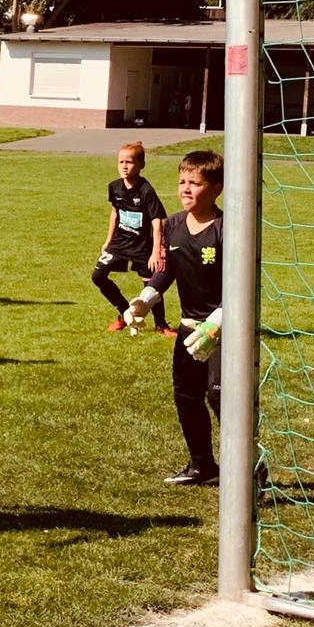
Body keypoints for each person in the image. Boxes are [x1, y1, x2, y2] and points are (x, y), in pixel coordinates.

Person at [125, 151, 226, 486]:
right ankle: (202, 465)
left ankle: (250, 465)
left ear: (217, 189)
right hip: (188, 329)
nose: (185, 188)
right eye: (182, 181)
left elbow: (241, 283)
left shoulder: (227, 228)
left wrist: (218, 323)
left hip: (223, 330)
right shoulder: (173, 226)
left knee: (220, 396)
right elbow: (167, 270)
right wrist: (144, 300)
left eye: (195, 183)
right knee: (186, 395)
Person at [92, 141, 172, 336]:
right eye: (121, 162)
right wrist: (108, 240)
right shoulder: (114, 187)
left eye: (129, 162)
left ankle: (161, 324)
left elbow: (157, 221)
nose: (124, 166)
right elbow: (115, 212)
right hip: (120, 243)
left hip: (142, 246)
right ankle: (124, 312)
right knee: (98, 276)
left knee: (150, 285)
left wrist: (155, 251)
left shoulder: (146, 190)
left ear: (141, 165)